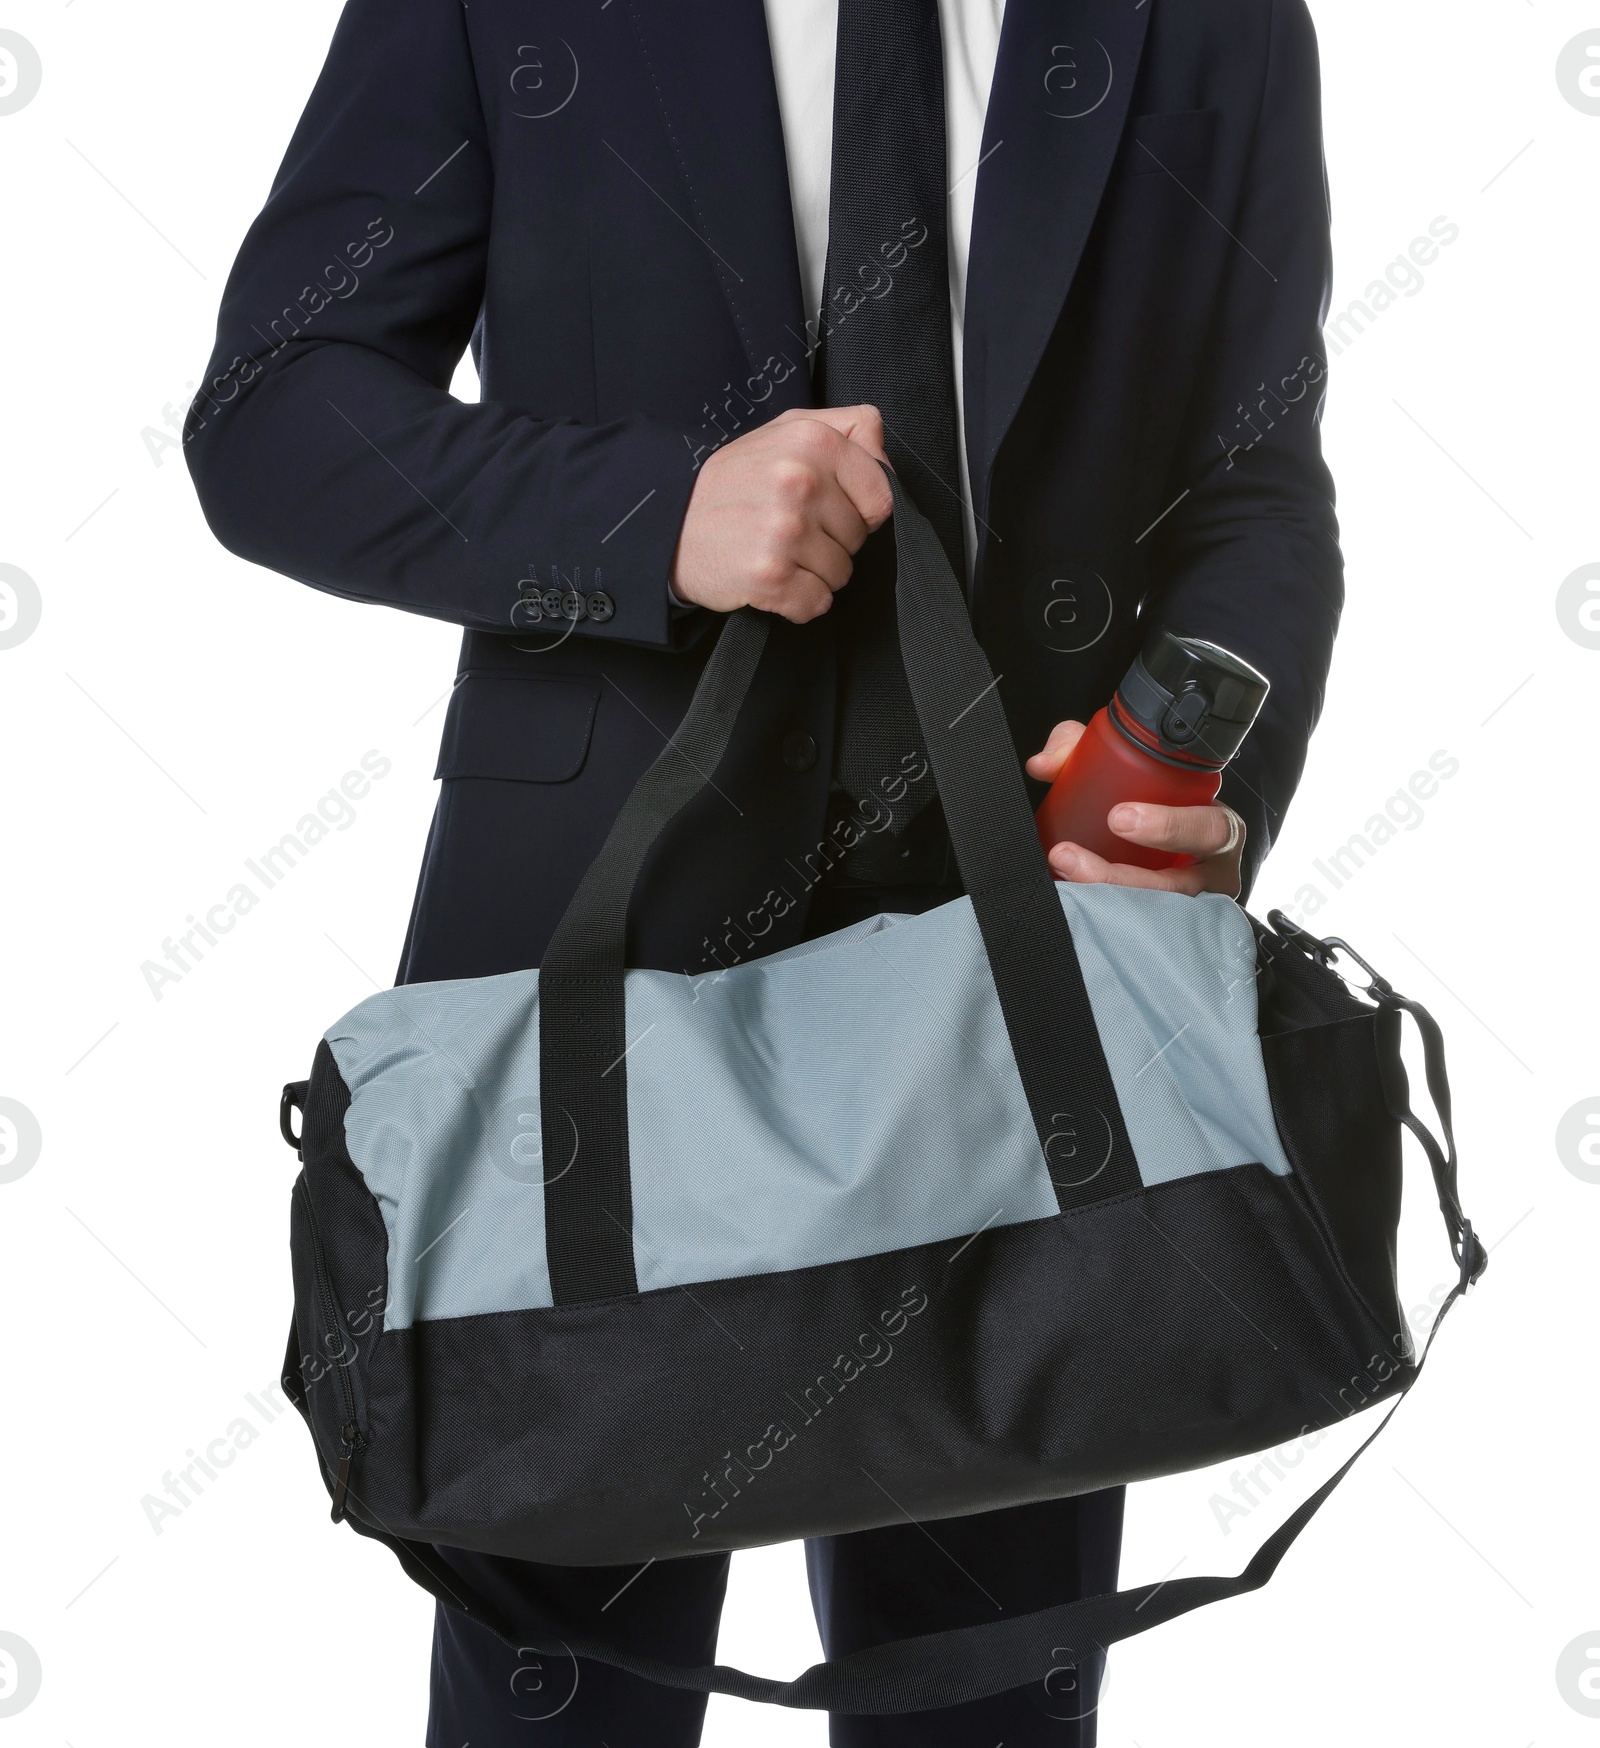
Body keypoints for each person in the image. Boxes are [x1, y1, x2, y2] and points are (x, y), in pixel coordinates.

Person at [186, 0, 1342, 1740]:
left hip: (1019, 978)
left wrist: (1198, 779)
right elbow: (274, 415)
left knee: (991, 1707)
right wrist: (649, 518)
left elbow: (1253, 476)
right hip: (587, 982)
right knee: (556, 1703)